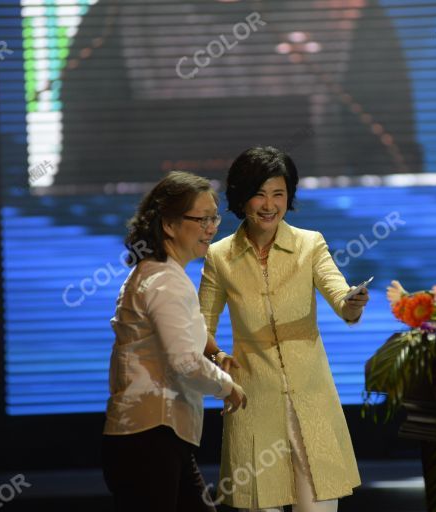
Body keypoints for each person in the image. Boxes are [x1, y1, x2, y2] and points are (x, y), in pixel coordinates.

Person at [198, 147, 369, 511]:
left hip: (313, 404)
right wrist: (217, 356)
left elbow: (339, 294)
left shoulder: (311, 244)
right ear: (241, 197)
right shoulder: (219, 256)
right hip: (254, 405)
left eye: (278, 193)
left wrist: (351, 303)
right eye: (259, 193)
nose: (269, 204)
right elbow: (200, 326)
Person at [101, 170, 247, 512]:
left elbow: (184, 336)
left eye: (215, 217)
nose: (212, 227)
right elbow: (183, 361)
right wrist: (228, 385)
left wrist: (215, 350)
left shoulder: (159, 273)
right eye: (202, 218)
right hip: (148, 437)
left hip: (155, 437)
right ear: (168, 224)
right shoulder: (166, 280)